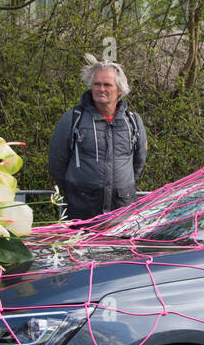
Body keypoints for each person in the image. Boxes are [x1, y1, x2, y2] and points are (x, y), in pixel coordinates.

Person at [48, 56, 147, 222]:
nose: (101, 89)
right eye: (97, 84)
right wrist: (76, 191)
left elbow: (138, 162)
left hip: (122, 210)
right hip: (81, 210)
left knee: (121, 249)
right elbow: (57, 162)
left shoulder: (133, 122)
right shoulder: (72, 119)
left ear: (120, 90)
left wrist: (121, 187)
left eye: (107, 85)